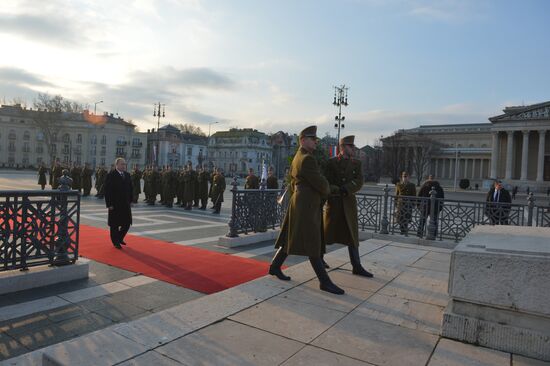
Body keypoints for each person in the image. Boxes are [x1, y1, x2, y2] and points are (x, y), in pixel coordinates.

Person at [269, 125, 345, 295]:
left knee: (291, 237)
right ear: (303, 140)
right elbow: (321, 184)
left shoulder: (298, 156)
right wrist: (327, 186)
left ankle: (274, 266)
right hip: (307, 205)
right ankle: (324, 282)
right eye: (313, 139)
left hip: (301, 203)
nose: (316, 142)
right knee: (313, 243)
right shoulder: (307, 159)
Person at [323, 135, 373, 278]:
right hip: (334, 203)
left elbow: (359, 181)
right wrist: (335, 189)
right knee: (326, 234)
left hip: (348, 204)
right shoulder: (331, 163)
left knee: (352, 235)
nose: (353, 149)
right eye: (351, 146)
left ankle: (356, 266)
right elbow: (325, 180)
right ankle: (319, 259)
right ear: (343, 147)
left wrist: (347, 188)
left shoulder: (357, 164)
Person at [104, 158, 133, 249]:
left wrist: (131, 200)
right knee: (115, 225)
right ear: (116, 165)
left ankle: (120, 238)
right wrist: (109, 204)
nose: (124, 166)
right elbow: (107, 191)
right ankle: (115, 242)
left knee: (127, 224)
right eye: (122, 164)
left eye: (124, 164)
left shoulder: (127, 175)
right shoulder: (111, 175)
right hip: (115, 204)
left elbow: (131, 189)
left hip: (125, 204)